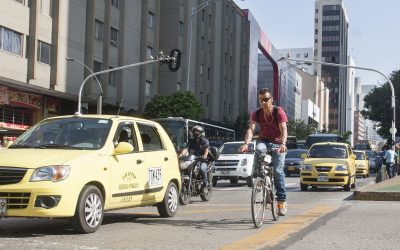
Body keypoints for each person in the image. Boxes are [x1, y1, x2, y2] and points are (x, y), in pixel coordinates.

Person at [239, 88, 288, 216]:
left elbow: (284, 129)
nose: (263, 102)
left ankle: (281, 202)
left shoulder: (279, 112)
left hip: (278, 143)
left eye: (266, 99)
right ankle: (259, 181)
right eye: (261, 100)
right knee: (259, 150)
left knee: (278, 171)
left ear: (271, 99)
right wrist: (246, 143)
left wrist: (283, 143)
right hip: (264, 141)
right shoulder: (257, 113)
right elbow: (251, 129)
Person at [179, 125, 210, 194]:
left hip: (202, 160)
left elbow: (206, 149)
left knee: (202, 169)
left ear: (201, 132)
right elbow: (186, 149)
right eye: (194, 131)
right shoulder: (191, 141)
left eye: (197, 131)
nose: (196, 132)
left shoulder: (204, 141)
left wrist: (205, 155)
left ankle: (205, 186)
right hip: (193, 159)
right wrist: (180, 155)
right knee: (186, 168)